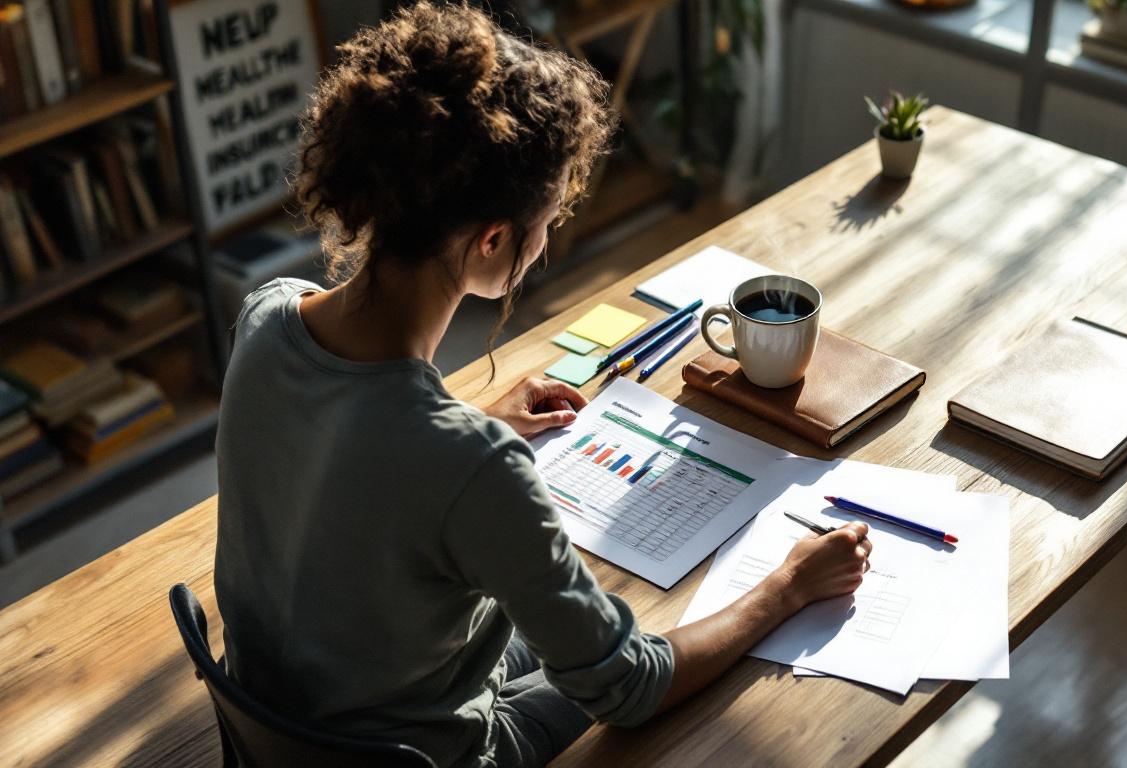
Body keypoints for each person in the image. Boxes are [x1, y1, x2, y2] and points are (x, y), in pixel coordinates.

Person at [213, 3, 872, 766]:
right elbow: (629, 687)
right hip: (426, 753)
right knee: (644, 640)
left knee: (574, 626)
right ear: (492, 238)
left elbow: (342, 431)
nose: (546, 243)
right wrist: (788, 586)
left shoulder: (265, 317)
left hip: (282, 719)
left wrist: (462, 417)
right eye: (549, 222)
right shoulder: (475, 466)